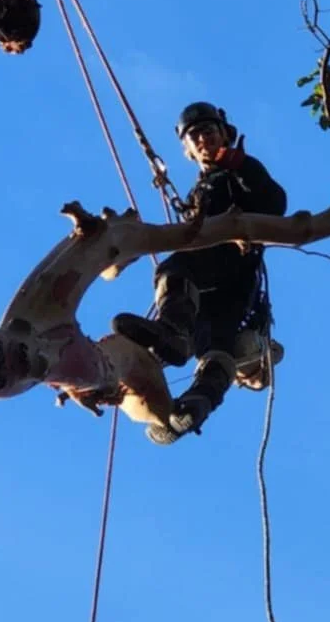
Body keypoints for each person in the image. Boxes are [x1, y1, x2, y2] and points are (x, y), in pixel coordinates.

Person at [113, 101, 287, 443]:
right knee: (215, 341)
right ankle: (195, 406)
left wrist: (236, 163)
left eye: (209, 131)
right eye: (195, 135)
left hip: (227, 261)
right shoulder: (202, 187)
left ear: (225, 135)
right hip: (228, 291)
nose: (203, 138)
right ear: (187, 150)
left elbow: (275, 203)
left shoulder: (238, 171)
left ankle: (172, 330)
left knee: (175, 268)